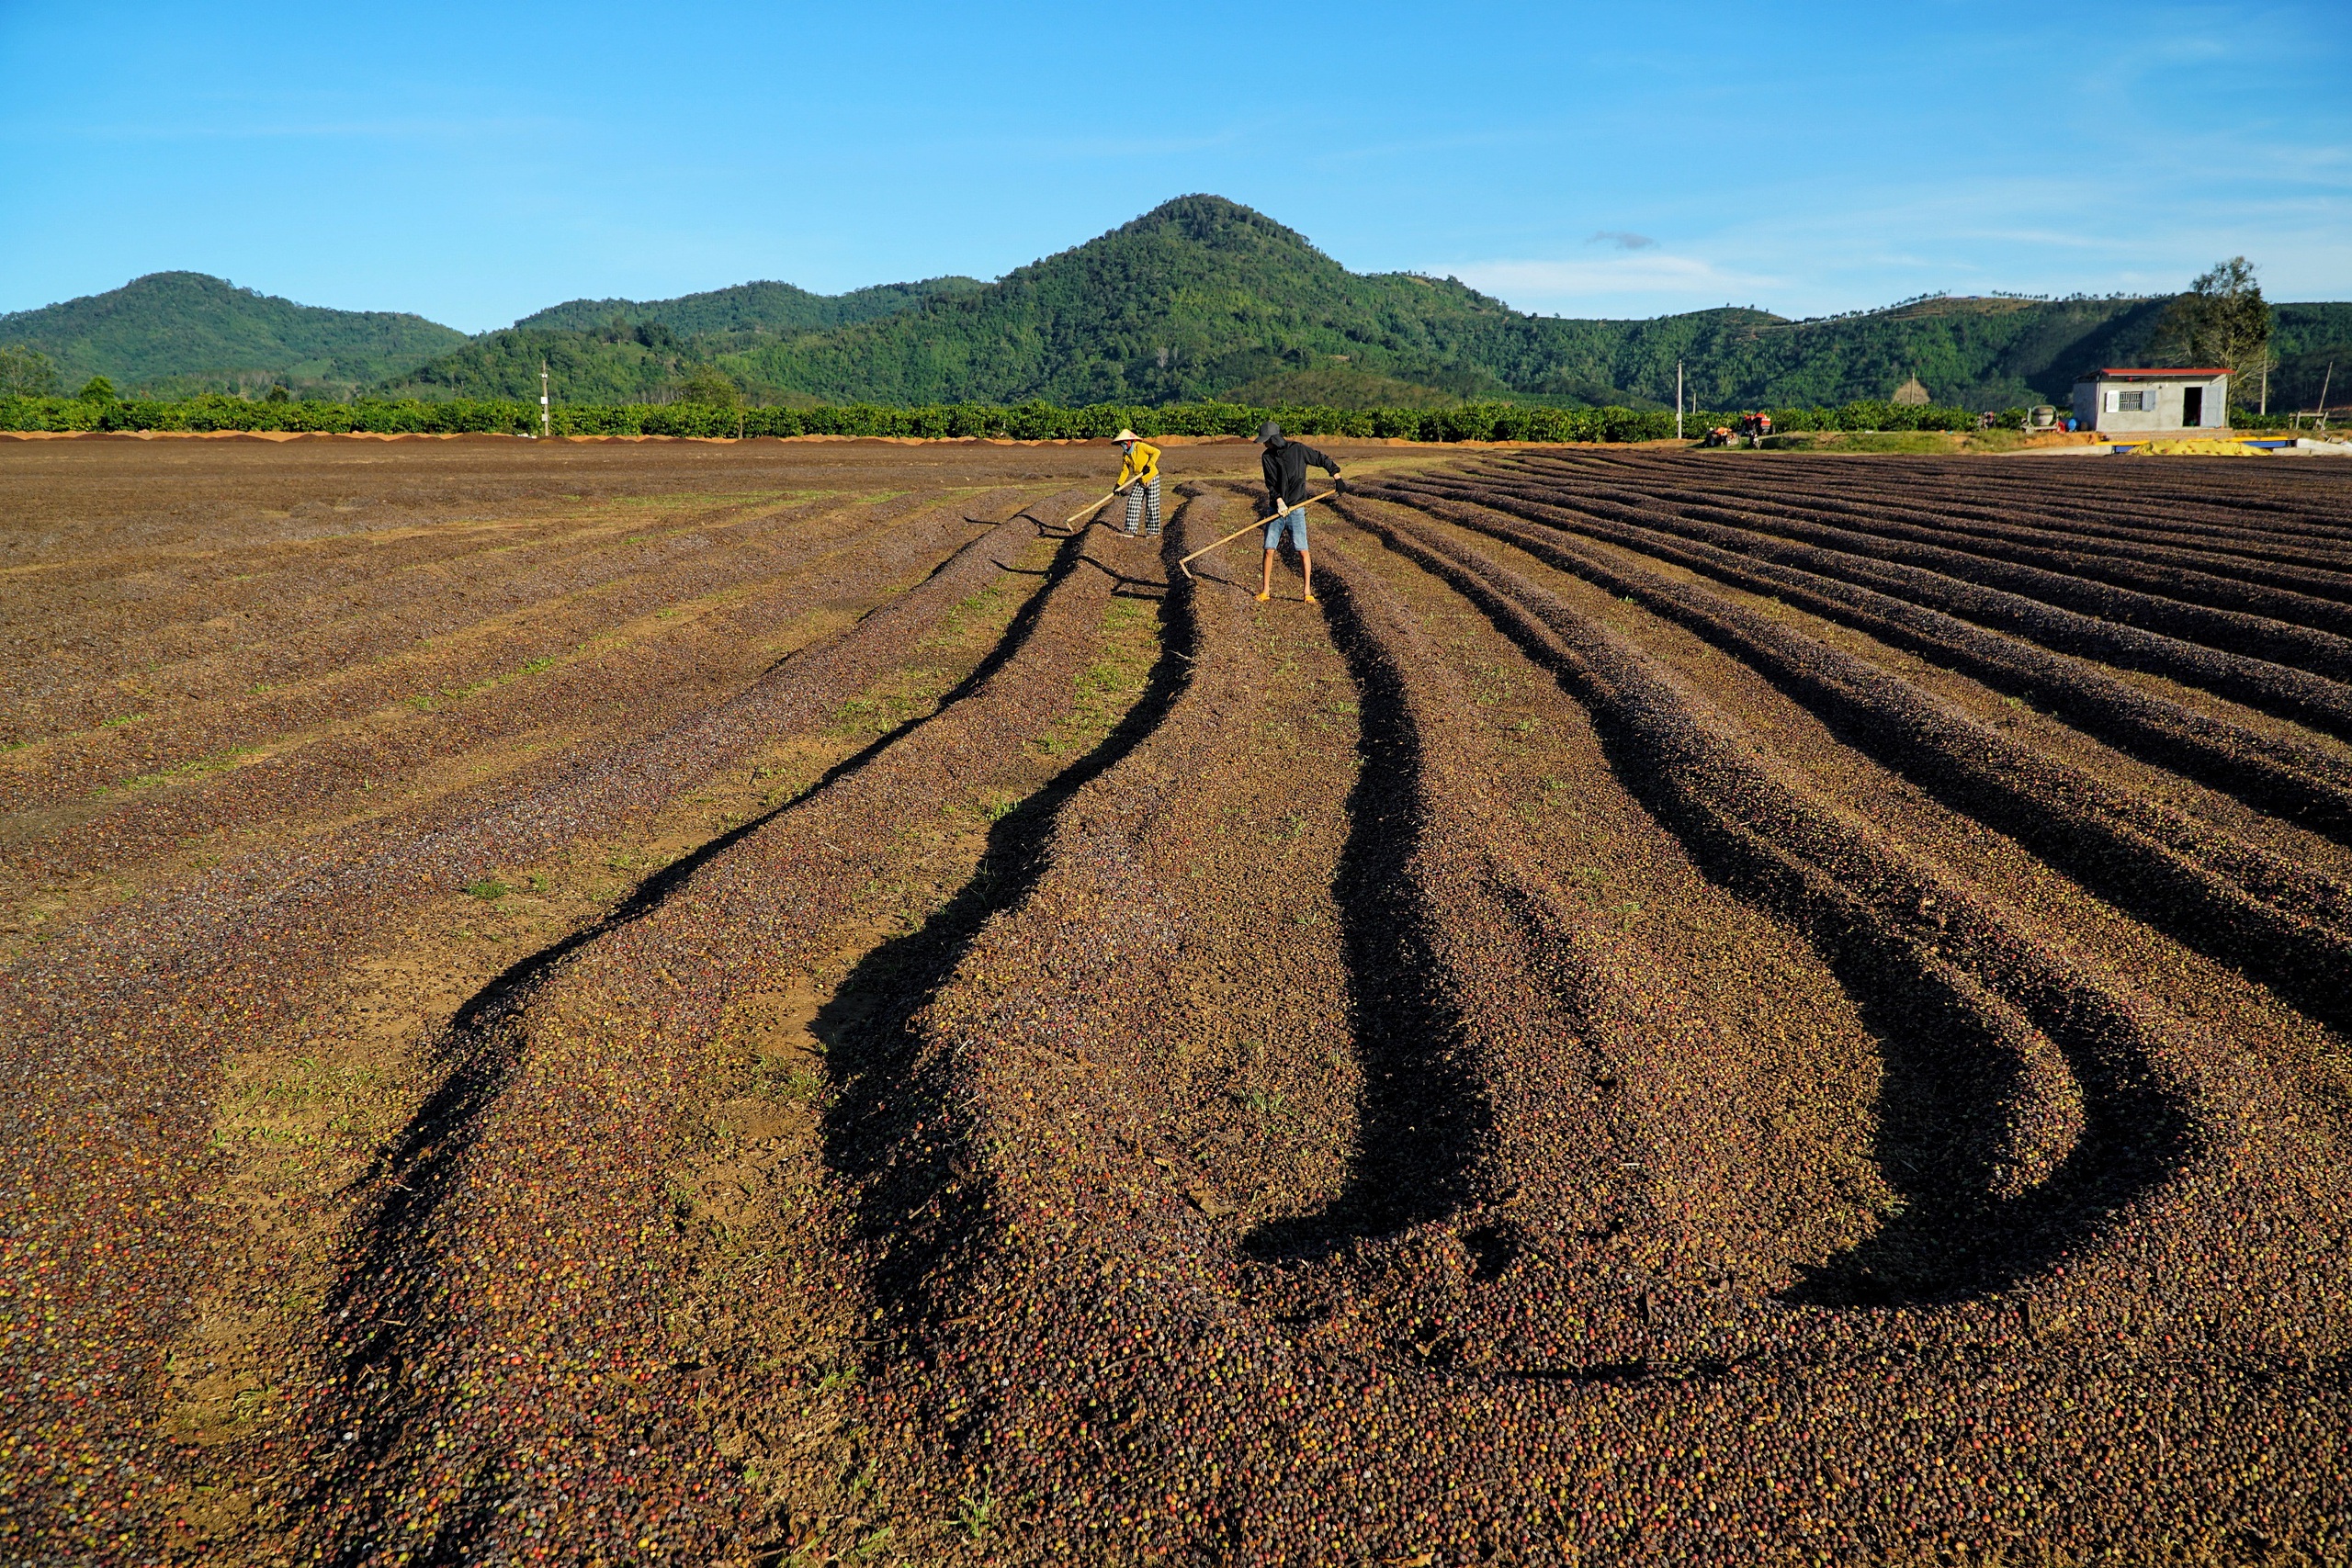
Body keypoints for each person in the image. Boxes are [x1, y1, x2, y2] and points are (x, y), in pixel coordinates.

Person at [1255, 421, 1342, 604]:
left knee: (1302, 551)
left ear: (1274, 439)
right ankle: (1265, 591)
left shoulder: (1298, 450)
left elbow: (1321, 458)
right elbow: (1270, 483)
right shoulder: (1267, 458)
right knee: (1269, 549)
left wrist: (1336, 476)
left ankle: (1307, 592)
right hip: (1277, 510)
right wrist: (1279, 502)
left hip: (1296, 509)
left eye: (1266, 440)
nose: (1264, 444)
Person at [1113, 428, 1162, 536]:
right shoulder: (1125, 455)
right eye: (1122, 444)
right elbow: (1125, 471)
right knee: (1133, 502)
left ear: (1130, 442)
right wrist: (1119, 484)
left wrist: (1149, 465)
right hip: (1139, 480)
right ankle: (1130, 530)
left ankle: (1153, 532)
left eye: (1125, 443)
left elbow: (1157, 452)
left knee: (1152, 505)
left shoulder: (1141, 446)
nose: (1123, 446)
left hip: (1151, 477)